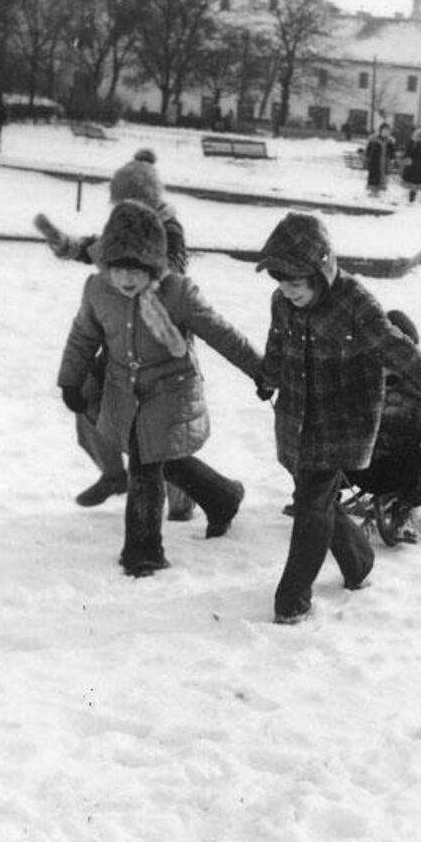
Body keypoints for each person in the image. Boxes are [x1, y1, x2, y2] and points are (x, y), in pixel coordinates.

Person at [253, 213, 421, 624]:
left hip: (342, 420)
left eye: (296, 283)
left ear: (322, 273)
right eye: (281, 283)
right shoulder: (282, 303)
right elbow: (277, 343)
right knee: (314, 497)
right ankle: (359, 562)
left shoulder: (354, 303)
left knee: (312, 502)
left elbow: (399, 350)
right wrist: (269, 376)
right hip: (297, 415)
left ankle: (292, 600)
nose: (287, 292)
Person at [58, 200, 263, 578]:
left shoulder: (177, 293)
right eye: (118, 269)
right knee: (156, 455)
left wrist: (260, 371)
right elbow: (83, 336)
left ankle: (143, 552)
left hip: (171, 390)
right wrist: (70, 379)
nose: (126, 279)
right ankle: (222, 497)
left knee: (146, 466)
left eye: (136, 270)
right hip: (125, 390)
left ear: (154, 264)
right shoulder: (98, 290)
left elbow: (221, 333)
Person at [38, 149, 197, 522]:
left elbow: (163, 273)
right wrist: (71, 246)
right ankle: (113, 475)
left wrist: (117, 266)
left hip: (159, 337)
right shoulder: (128, 222)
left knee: (162, 431)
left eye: (131, 200)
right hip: (120, 332)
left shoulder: (168, 228)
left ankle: (185, 495)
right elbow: (108, 248)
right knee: (87, 400)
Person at [341, 309, 421, 543]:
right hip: (360, 466)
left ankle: (404, 512)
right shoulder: (358, 381)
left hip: (400, 473)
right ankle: (318, 497)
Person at [364, 122, 394, 196]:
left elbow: (391, 152)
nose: (385, 132)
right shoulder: (374, 140)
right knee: (374, 176)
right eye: (384, 131)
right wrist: (368, 157)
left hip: (384, 162)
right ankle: (373, 191)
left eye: (387, 131)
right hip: (375, 161)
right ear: (380, 131)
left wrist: (392, 158)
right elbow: (369, 150)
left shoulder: (389, 141)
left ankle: (378, 190)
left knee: (382, 176)